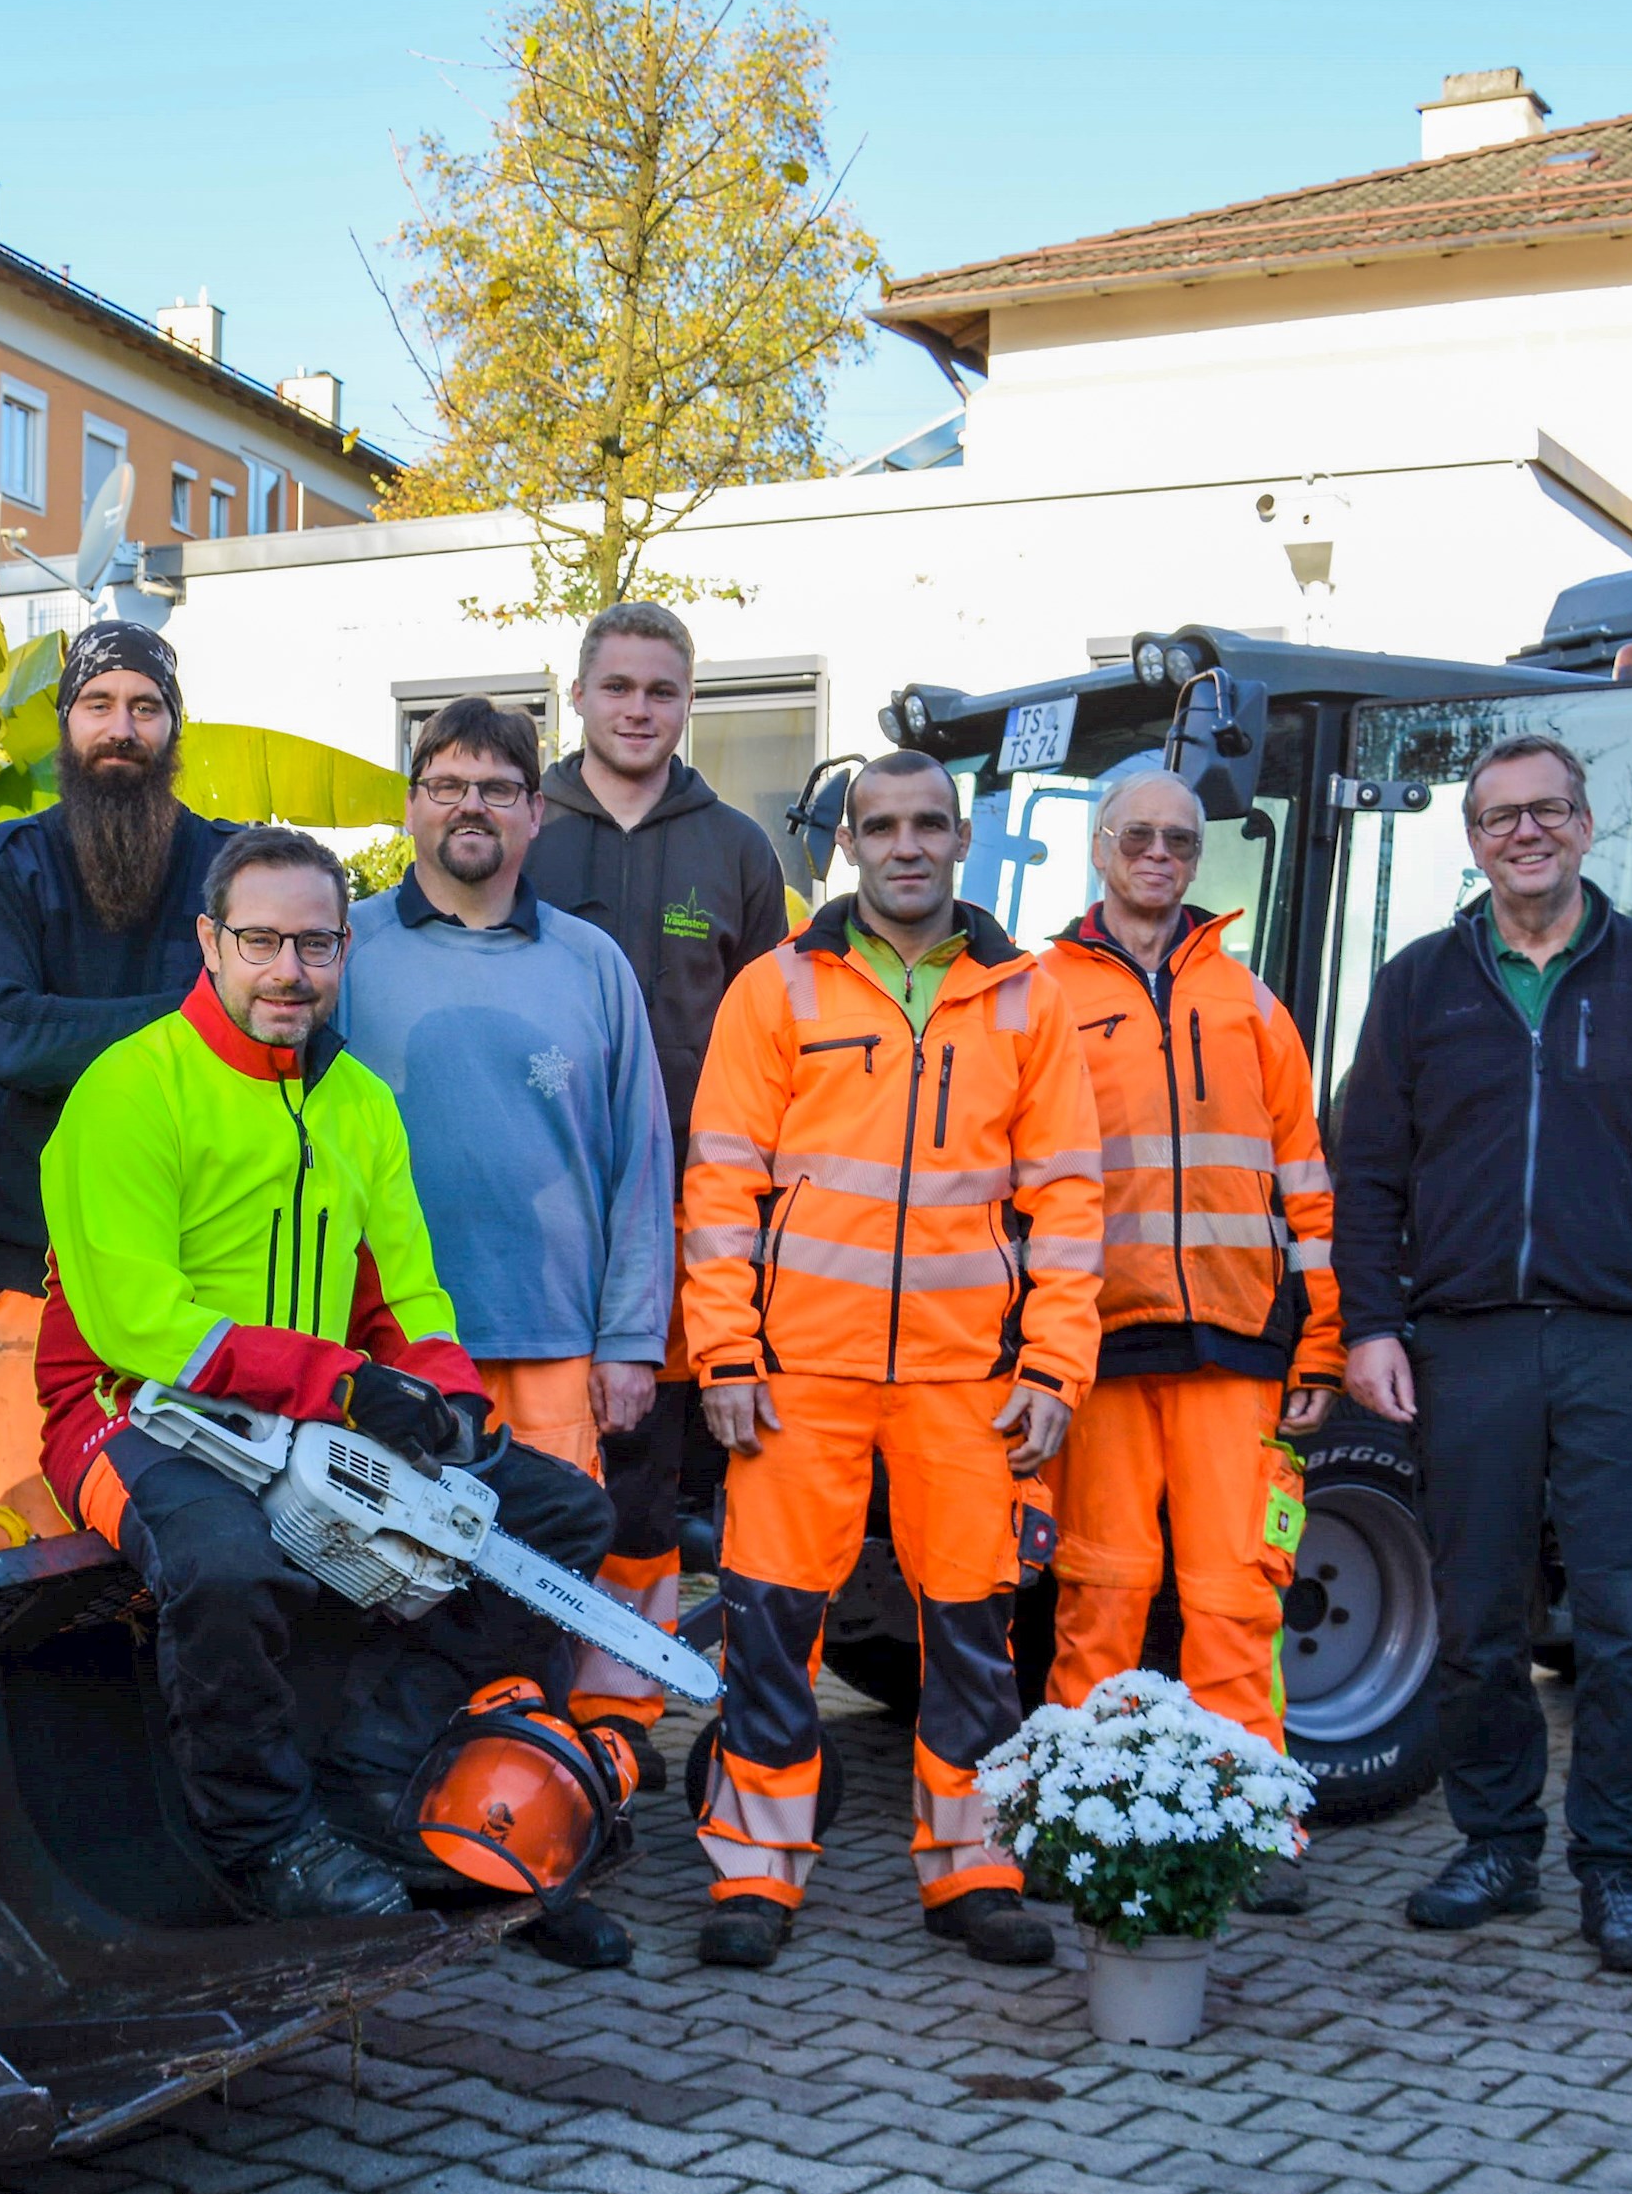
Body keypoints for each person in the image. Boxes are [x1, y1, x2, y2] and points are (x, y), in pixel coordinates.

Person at [35, 825, 615, 1921]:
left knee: (558, 1516)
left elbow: (407, 1295)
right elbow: (139, 1324)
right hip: (128, 1412)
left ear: (346, 949)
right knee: (227, 1563)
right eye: (260, 941)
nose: (289, 971)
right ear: (209, 942)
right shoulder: (131, 1089)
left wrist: (447, 1399)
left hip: (308, 1412)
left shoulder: (357, 1102)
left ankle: (371, 1771)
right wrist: (344, 1386)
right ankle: (258, 1837)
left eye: (315, 944)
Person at [1331, 733, 1632, 1976]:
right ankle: (1496, 1846)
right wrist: (1369, 1323)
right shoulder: (1418, 985)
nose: (1523, 832)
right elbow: (1367, 1175)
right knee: (1473, 1620)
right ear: (1471, 838)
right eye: (1498, 816)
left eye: (1546, 811)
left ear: (1582, 826)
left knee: (1627, 1623)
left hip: (1625, 1346)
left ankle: (1618, 1869)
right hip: (1468, 1347)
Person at [680, 752, 1106, 1973]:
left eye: (928, 824)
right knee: (769, 1625)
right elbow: (719, 1184)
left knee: (973, 1633)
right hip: (794, 1374)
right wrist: (724, 1352)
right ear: (849, 845)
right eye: (881, 826)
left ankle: (972, 1871)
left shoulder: (1026, 1000)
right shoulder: (779, 989)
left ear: (962, 839)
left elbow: (1071, 1201)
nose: (906, 845)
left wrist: (1052, 1370)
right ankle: (754, 1875)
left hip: (967, 1375)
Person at [336, 695, 675, 1968]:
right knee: (381, 1598)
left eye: (496, 785)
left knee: (534, 1615)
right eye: (445, 781)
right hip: (380, 1356)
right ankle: (385, 1844)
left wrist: (630, 1337)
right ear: (412, 801)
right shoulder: (346, 949)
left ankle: (526, 1860)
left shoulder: (590, 964)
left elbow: (641, 1158)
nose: (468, 803)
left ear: (537, 811)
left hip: (547, 1349)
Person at [1032, 767, 1342, 1911]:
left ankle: (1253, 1824)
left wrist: (1321, 1347)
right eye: (1137, 835)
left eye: (1178, 838)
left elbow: (1307, 1185)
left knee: (1235, 1598)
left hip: (1239, 1349)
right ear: (1101, 847)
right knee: (1098, 1597)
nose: (1158, 853)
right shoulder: (1038, 994)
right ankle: (1082, 1823)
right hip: (1099, 1349)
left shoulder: (1253, 1005)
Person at [525, 604, 794, 1663]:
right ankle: (514, 1711)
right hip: (536, 1210)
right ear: (578, 695)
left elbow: (780, 1037)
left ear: (688, 705)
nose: (638, 709)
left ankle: (617, 1726)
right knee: (529, 1470)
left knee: (645, 1480)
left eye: (661, 691)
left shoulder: (735, 849)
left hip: (684, 1213)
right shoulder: (521, 830)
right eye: (620, 687)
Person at [0, 622, 234, 1545]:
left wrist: (80, 1027)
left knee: (192, 1545)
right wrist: (198, 1014)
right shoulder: (1, 862)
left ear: (173, 730)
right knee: (3, 1532)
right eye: (99, 705)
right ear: (67, 723)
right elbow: (12, 1042)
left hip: (201, 1271)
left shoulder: (234, 868)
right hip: (27, 1264)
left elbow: (294, 1024)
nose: (122, 727)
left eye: (146, 707)